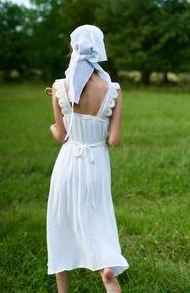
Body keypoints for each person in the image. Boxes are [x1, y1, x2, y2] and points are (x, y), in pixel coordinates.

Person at [45, 25, 129, 293]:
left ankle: (62, 287)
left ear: (73, 49)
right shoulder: (112, 89)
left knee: (62, 221)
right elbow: (113, 140)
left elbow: (61, 135)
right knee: (98, 216)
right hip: (96, 163)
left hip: (68, 162)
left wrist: (52, 129)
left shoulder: (60, 88)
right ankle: (106, 265)